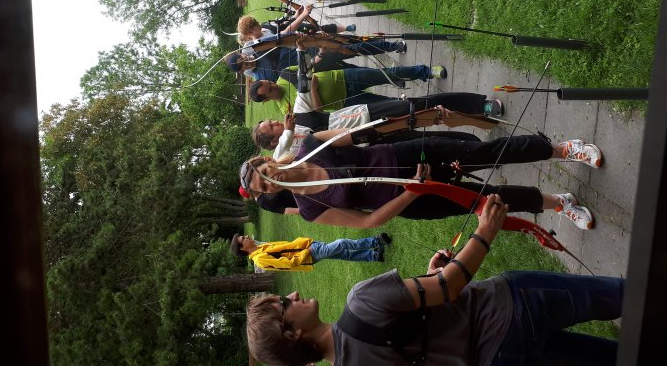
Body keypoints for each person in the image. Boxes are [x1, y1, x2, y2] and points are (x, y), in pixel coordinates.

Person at [246, 193, 624, 366]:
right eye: (284, 304)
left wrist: (429, 277)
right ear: (293, 334)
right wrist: (486, 231)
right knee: (625, 296)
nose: (293, 293)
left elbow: (414, 332)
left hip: (501, 358)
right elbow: (451, 286)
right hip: (509, 309)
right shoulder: (359, 301)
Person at [240, 122, 600, 229]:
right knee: (484, 202)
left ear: (267, 161)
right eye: (265, 187)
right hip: (411, 199)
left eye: (266, 173)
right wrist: (412, 192)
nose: (271, 182)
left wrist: (407, 119)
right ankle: (557, 203)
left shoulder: (311, 146)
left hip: (406, 154)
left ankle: (563, 150)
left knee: (483, 154)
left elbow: (361, 134)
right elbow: (368, 222)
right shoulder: (309, 208)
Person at [252, 93, 504, 159]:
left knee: (423, 106)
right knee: (426, 141)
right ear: (273, 140)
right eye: (271, 127)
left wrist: (299, 49)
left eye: (271, 121)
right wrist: (287, 132)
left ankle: (480, 106)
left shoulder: (298, 115)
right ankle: (476, 145)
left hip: (367, 113)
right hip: (370, 140)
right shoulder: (291, 154)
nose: (275, 122)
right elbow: (277, 157)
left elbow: (303, 86)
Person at [249, 64, 448, 115]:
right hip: (347, 102)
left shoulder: (284, 74)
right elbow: (318, 111)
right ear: (266, 100)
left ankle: (426, 72)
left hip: (345, 76)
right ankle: (433, 107)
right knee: (394, 106)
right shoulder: (287, 110)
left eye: (270, 83)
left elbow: (309, 66)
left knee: (388, 73)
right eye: (270, 90)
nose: (275, 85)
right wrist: (314, 90)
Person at [226, 31, 410, 82]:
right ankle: (393, 77)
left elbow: (281, 38)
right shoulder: (262, 77)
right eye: (243, 63)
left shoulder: (261, 49)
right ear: (242, 71)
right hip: (318, 70)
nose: (246, 60)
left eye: (243, 57)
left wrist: (302, 37)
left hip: (315, 48)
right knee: (360, 73)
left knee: (355, 48)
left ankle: (393, 46)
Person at [230, 232, 392, 271]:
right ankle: (376, 241)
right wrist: (306, 252)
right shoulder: (259, 259)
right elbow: (287, 264)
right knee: (341, 244)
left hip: (308, 246)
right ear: (243, 248)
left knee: (344, 253)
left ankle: (375, 255)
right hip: (310, 253)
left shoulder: (259, 248)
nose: (246, 236)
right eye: (243, 239)